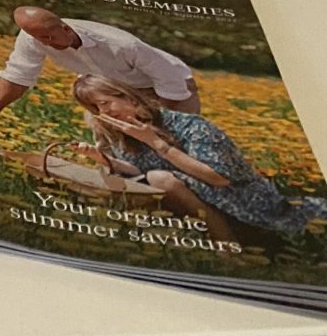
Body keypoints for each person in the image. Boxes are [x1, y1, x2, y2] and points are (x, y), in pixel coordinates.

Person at [74, 75, 327, 244]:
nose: (103, 113)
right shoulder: (121, 134)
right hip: (198, 201)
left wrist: (156, 143)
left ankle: (225, 240)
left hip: (243, 199)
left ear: (128, 97)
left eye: (105, 103)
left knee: (159, 179)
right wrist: (106, 160)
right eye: (95, 109)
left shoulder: (191, 126)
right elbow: (140, 169)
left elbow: (218, 179)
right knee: (143, 180)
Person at [0, 7, 199, 133]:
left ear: (65, 28)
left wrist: (156, 125)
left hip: (167, 85)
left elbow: (170, 82)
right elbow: (17, 75)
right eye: (39, 38)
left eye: (49, 37)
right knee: (106, 134)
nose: (45, 44)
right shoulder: (32, 37)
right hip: (113, 87)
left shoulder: (122, 44)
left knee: (173, 140)